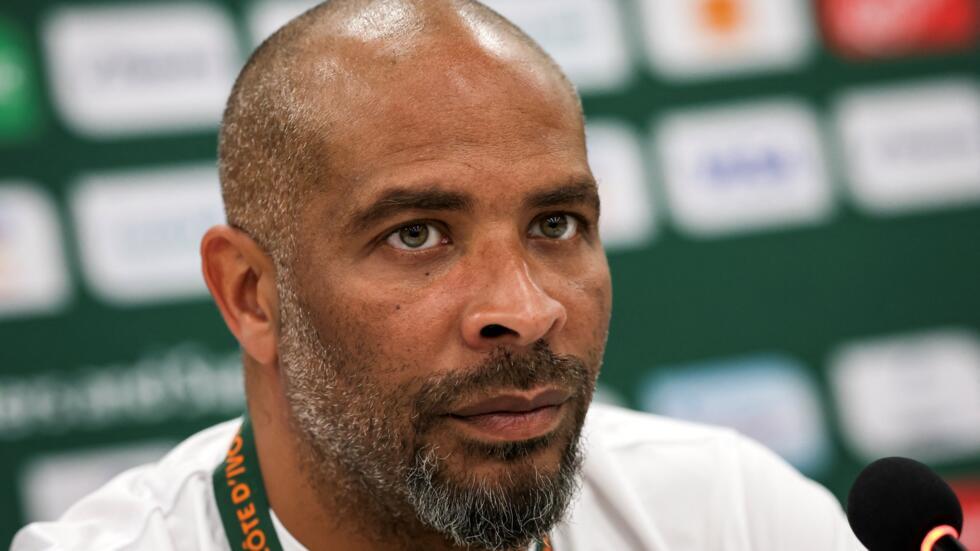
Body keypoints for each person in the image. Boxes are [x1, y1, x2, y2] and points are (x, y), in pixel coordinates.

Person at [12, 1, 865, 550]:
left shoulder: (733, 515)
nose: (525, 309)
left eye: (556, 224)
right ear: (251, 296)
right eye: (416, 235)